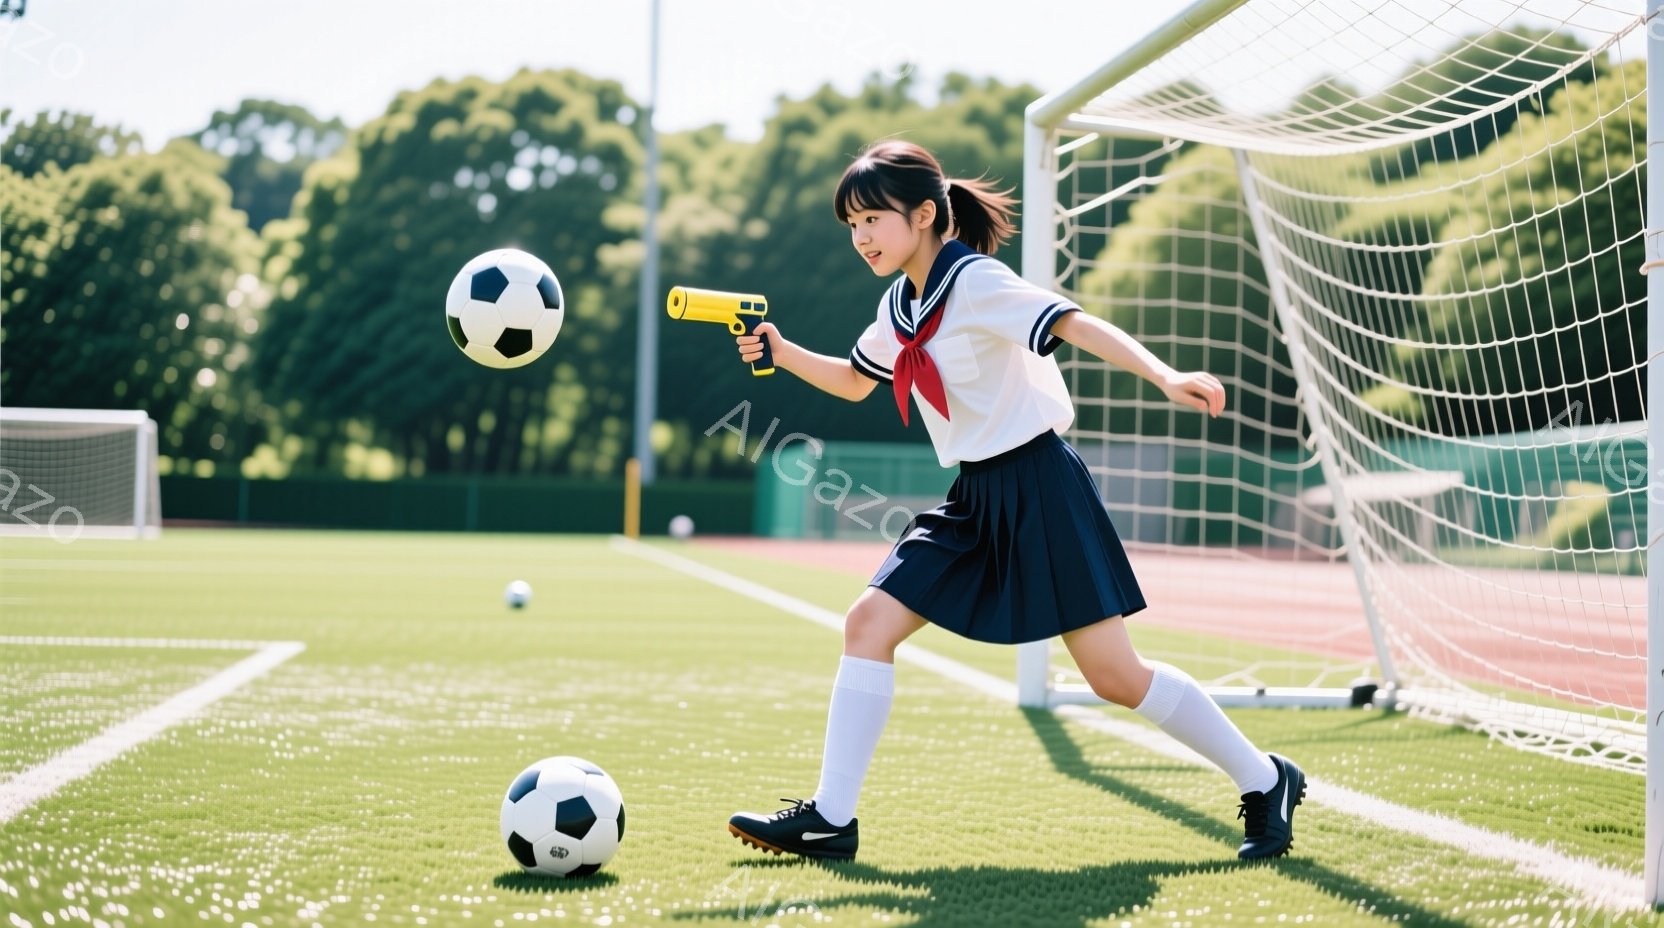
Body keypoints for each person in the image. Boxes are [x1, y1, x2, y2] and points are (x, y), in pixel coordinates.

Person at [724, 139, 1304, 862]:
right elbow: (854, 379)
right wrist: (782, 352)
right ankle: (832, 819)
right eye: (852, 224)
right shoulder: (898, 301)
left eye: (874, 217)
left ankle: (1264, 777)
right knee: (868, 621)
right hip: (972, 495)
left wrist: (1162, 374)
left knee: (1116, 676)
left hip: (1041, 486)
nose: (862, 236)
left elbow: (1073, 322)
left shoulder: (976, 282)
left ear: (926, 214)